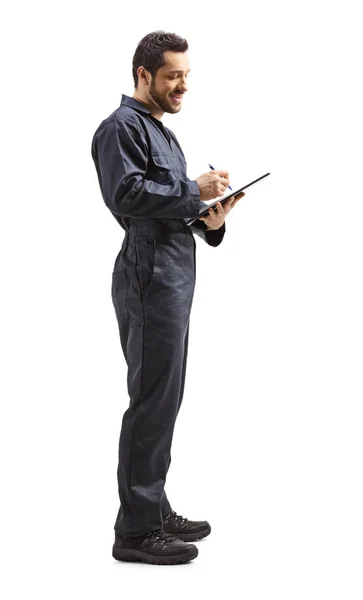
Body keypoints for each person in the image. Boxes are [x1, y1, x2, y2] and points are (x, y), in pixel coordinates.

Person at [91, 31, 244, 565]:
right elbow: (128, 195)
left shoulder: (161, 133)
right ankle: (135, 531)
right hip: (148, 275)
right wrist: (192, 190)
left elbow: (170, 208)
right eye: (172, 75)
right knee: (151, 399)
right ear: (143, 75)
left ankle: (152, 509)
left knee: (165, 398)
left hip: (173, 274)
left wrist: (210, 220)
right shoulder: (118, 129)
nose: (182, 85)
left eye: (186, 75)